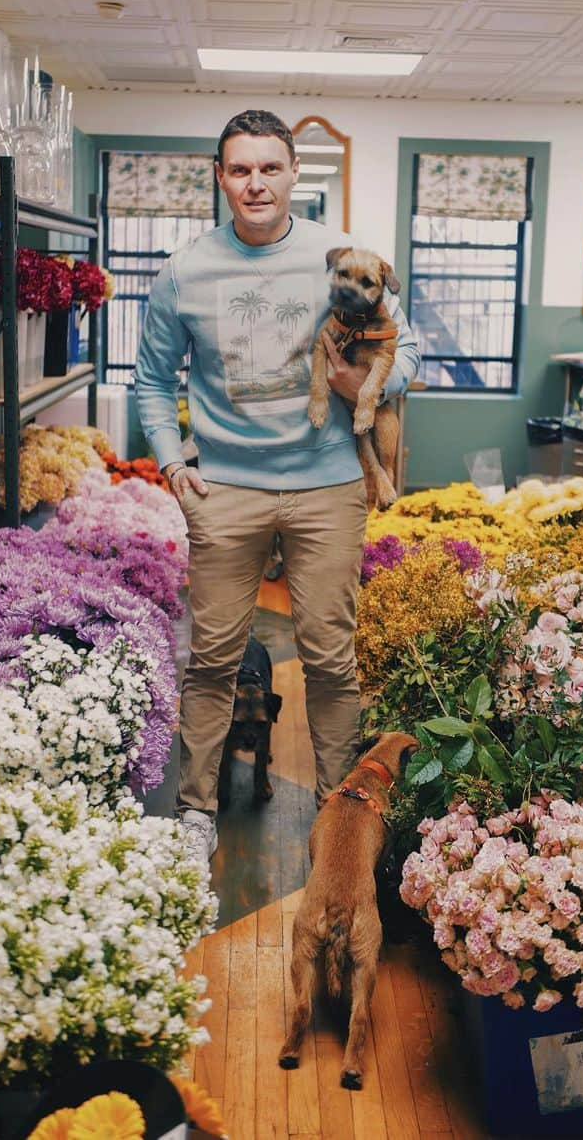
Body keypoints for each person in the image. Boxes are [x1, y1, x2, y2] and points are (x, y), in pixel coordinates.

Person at [135, 109, 420, 867]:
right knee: (212, 661)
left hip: (328, 487)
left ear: (295, 174)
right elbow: (153, 382)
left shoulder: (341, 254)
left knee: (332, 659)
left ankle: (342, 815)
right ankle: (195, 812)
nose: (255, 182)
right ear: (221, 178)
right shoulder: (186, 270)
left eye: (269, 167)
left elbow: (411, 352)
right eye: (239, 169)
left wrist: (362, 381)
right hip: (225, 489)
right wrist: (171, 463)